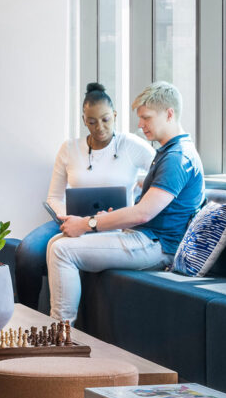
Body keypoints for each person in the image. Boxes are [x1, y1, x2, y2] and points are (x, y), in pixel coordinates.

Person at [46, 82, 204, 322]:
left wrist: (88, 224)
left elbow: (143, 214)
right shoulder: (168, 152)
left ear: (169, 114)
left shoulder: (177, 157)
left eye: (146, 118)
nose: (140, 125)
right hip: (146, 237)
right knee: (56, 242)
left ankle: (61, 335)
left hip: (158, 246)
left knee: (61, 251)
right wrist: (105, 219)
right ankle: (60, 332)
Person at [17, 82, 155, 312]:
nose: (99, 127)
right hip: (70, 221)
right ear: (83, 120)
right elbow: (54, 196)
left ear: (115, 115)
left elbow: (162, 173)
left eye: (105, 119)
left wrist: (139, 194)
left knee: (61, 251)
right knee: (27, 251)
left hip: (113, 225)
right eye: (92, 121)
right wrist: (64, 217)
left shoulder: (131, 145)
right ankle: (27, 318)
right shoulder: (69, 149)